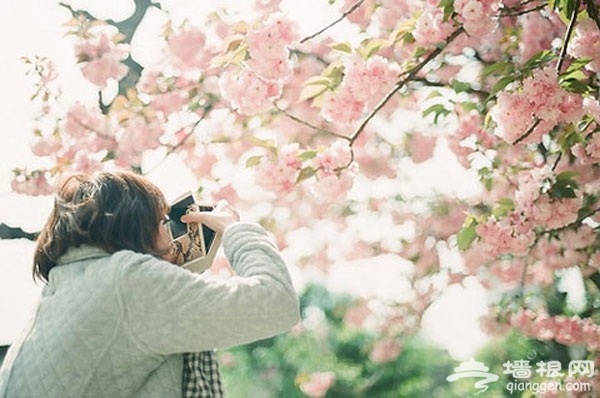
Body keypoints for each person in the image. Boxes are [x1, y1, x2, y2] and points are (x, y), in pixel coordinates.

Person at [0, 171, 300, 397]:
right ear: (135, 225)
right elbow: (276, 301)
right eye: (161, 221)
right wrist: (235, 229)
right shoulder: (128, 279)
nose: (169, 233)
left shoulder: (66, 281)